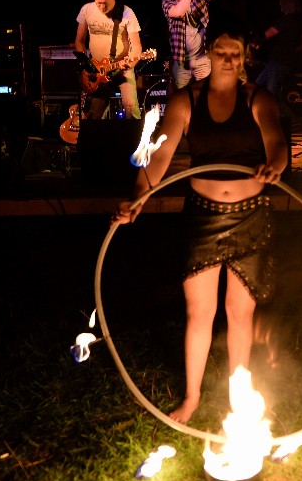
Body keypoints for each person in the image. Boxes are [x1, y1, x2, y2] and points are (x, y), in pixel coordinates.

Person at [112, 32, 288, 425]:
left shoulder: (258, 99)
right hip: (203, 215)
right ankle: (191, 400)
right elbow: (158, 159)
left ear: (244, 58)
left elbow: (277, 142)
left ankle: (238, 402)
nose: (227, 59)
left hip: (251, 213)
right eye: (220, 51)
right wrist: (138, 199)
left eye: (235, 53)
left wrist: (275, 166)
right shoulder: (185, 100)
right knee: (199, 312)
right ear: (208, 54)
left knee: (239, 314)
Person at [162, 0, 227, 91]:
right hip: (181, 63)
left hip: (202, 60)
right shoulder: (168, 3)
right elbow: (178, 12)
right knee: (181, 99)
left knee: (204, 97)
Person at [74, 0, 143, 119]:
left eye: (105, 3)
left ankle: (134, 139)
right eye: (98, 3)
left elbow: (136, 46)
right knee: (94, 114)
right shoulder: (87, 10)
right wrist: (86, 68)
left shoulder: (126, 12)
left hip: (121, 68)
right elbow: (79, 41)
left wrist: (130, 63)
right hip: (97, 71)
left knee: (131, 108)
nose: (102, 7)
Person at [251, 0, 302, 113]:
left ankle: (286, 120)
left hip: (279, 61)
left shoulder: (286, 20)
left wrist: (253, 41)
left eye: (281, 2)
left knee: (271, 95)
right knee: (257, 87)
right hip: (283, 62)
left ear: (287, 3)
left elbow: (268, 34)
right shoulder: (300, 21)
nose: (280, 5)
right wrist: (292, 50)